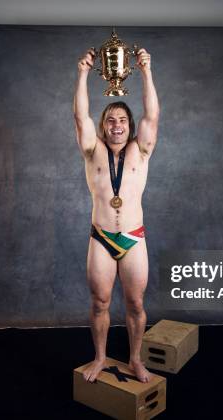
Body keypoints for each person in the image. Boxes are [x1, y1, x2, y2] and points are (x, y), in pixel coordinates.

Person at [73, 46, 159, 383]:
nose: (117, 125)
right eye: (110, 120)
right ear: (103, 126)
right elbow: (80, 117)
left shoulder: (142, 149)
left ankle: (135, 360)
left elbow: (152, 116)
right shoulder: (92, 150)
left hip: (134, 238)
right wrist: (82, 73)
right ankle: (100, 357)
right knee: (100, 302)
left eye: (122, 120)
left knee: (135, 304)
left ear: (130, 125)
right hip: (101, 237)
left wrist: (147, 71)